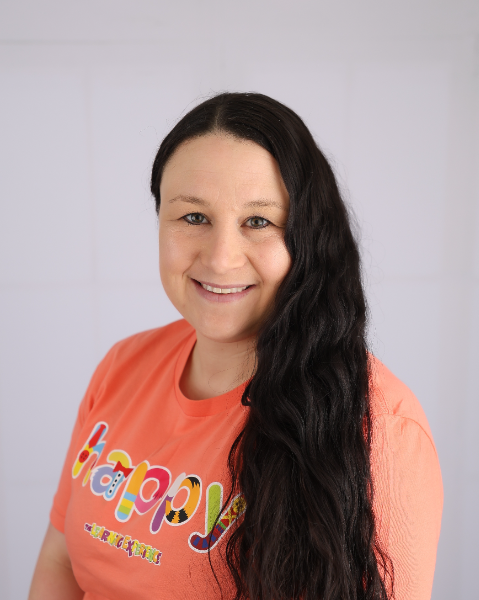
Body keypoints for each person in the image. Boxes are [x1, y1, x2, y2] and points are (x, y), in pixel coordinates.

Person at [29, 92, 443, 600]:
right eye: (193, 217)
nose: (221, 259)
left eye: (258, 222)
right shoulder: (122, 366)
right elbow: (60, 559)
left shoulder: (380, 426)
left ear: (307, 237)